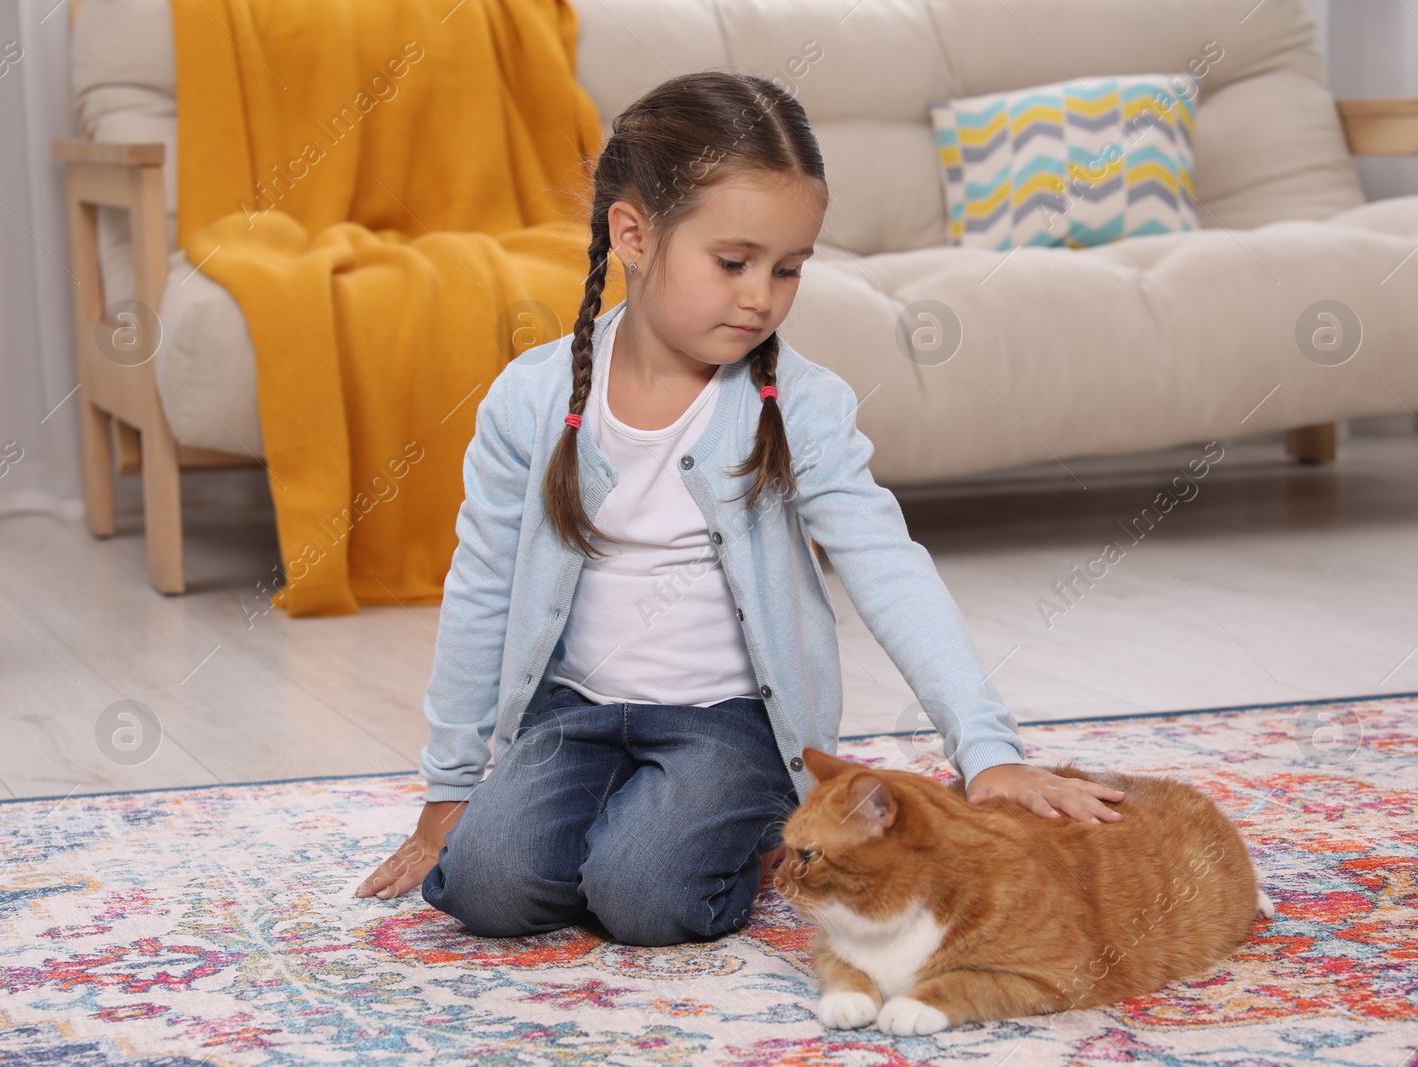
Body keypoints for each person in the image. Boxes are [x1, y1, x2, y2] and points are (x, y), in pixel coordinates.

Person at [355, 70, 1124, 946]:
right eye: (734, 263)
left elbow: (887, 566)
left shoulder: (802, 405)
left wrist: (987, 752)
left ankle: (739, 823)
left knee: (644, 900)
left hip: (726, 724)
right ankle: (633, 815)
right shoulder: (529, 400)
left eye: (788, 268)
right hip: (570, 712)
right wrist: (450, 790)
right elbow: (483, 586)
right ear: (634, 235)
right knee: (486, 891)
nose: (762, 296)